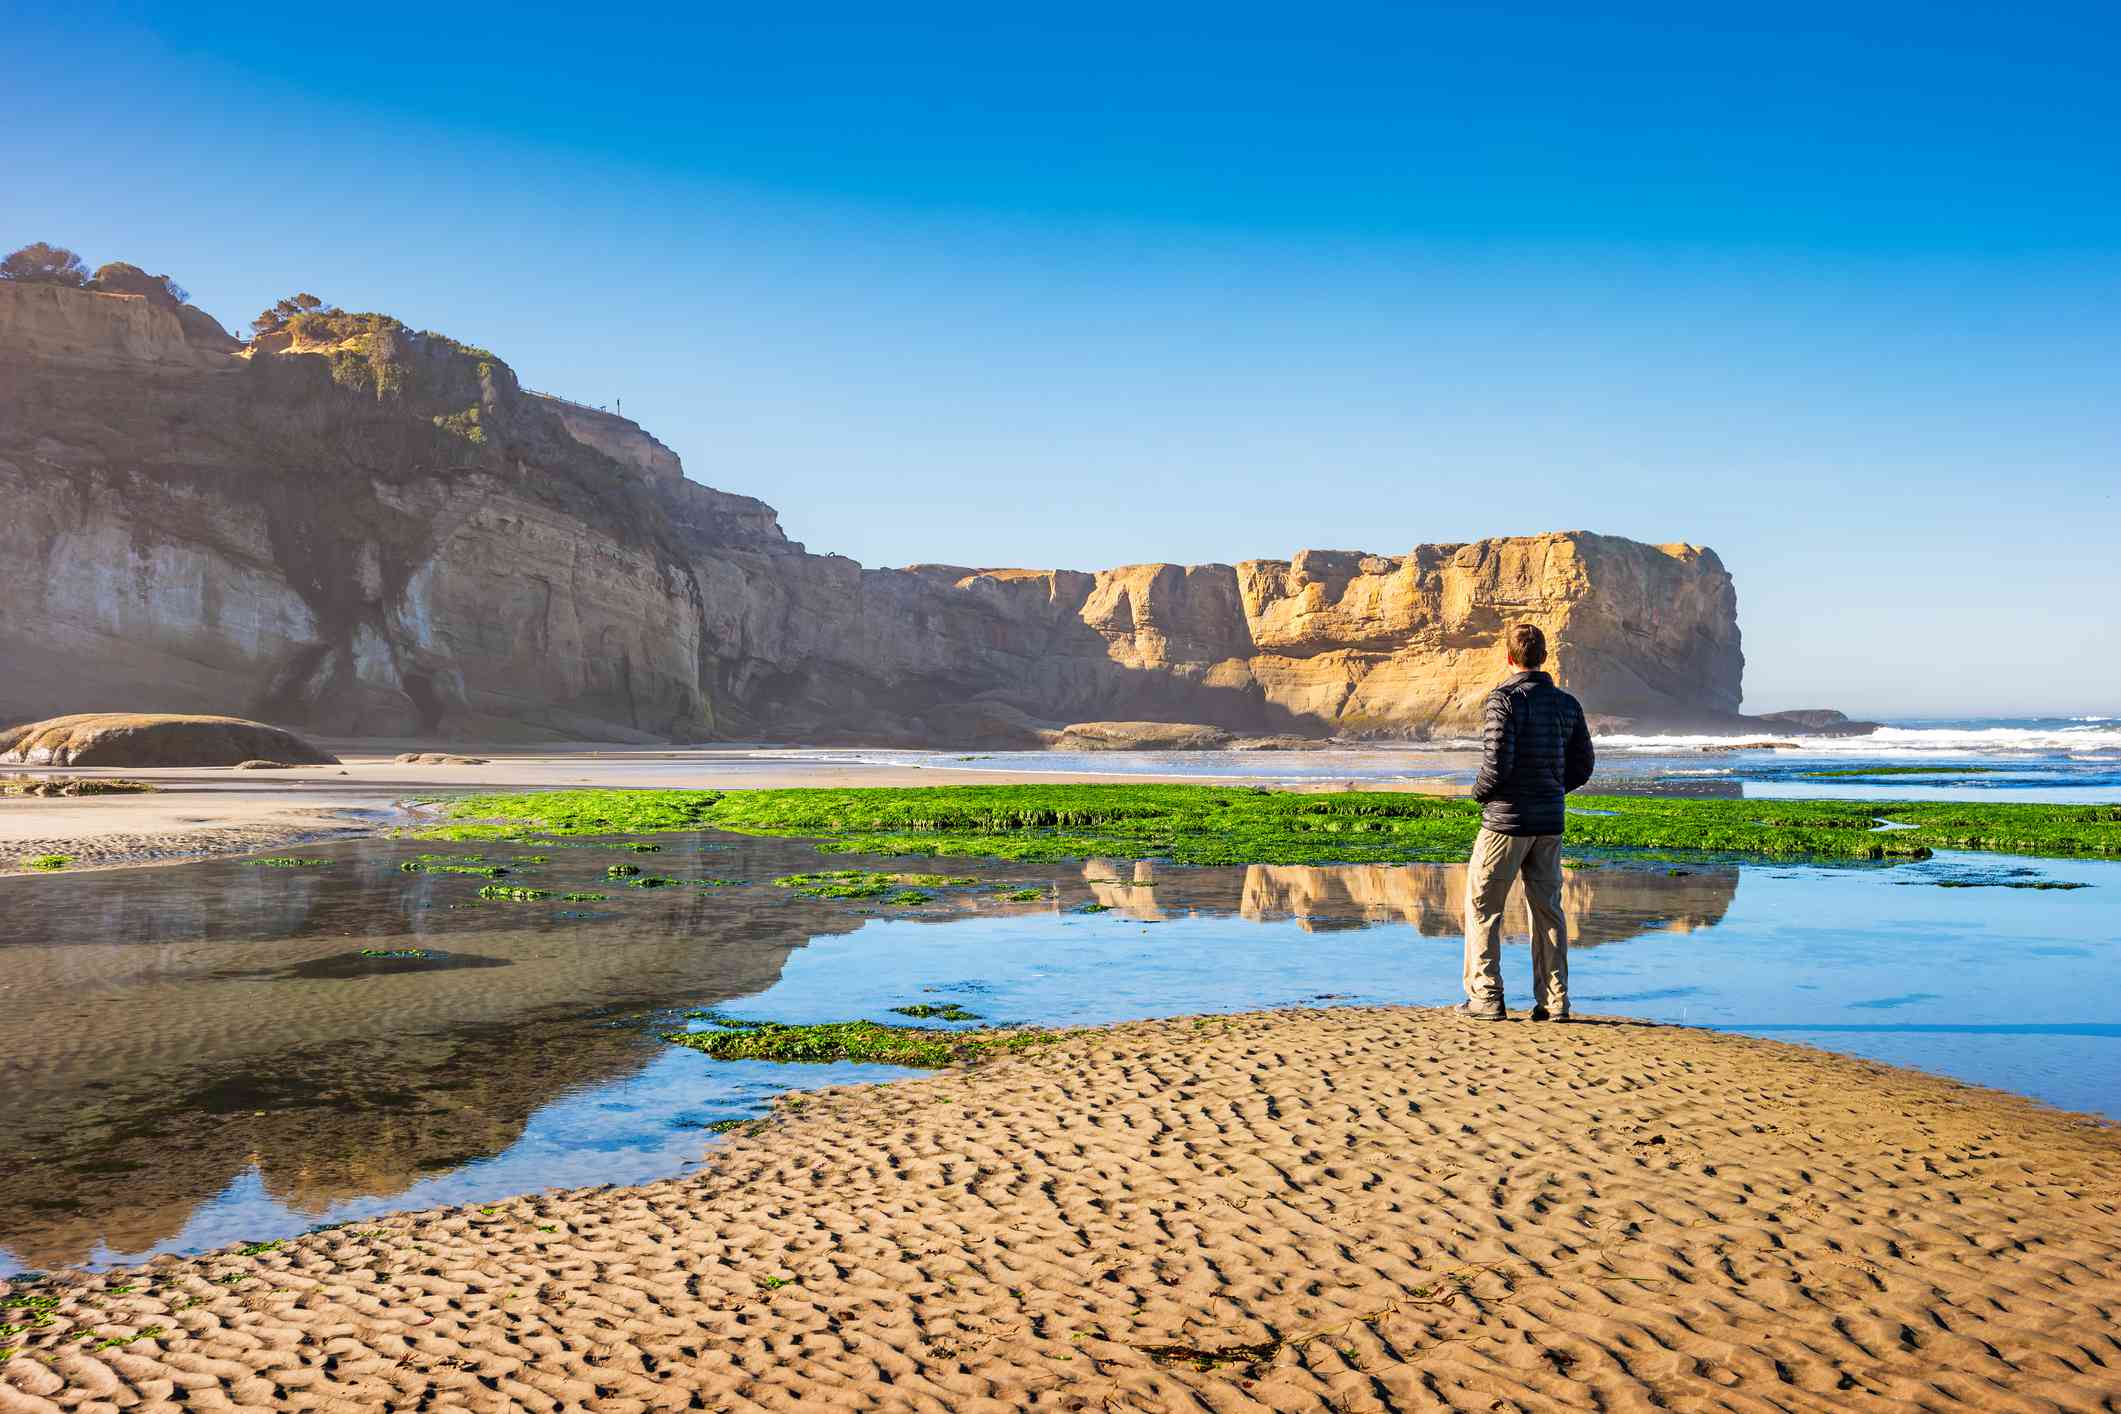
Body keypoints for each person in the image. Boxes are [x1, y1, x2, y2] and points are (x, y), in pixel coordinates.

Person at [1460, 623, 1594, 1022]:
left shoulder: (1503, 700)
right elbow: (1583, 766)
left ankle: (1485, 997)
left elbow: (1496, 763)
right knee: (1548, 911)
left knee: (1483, 907)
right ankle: (1555, 1003)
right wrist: (1553, 789)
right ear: (1544, 657)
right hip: (1549, 821)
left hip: (1505, 822)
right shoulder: (1568, 704)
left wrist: (1479, 794)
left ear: (1508, 658)